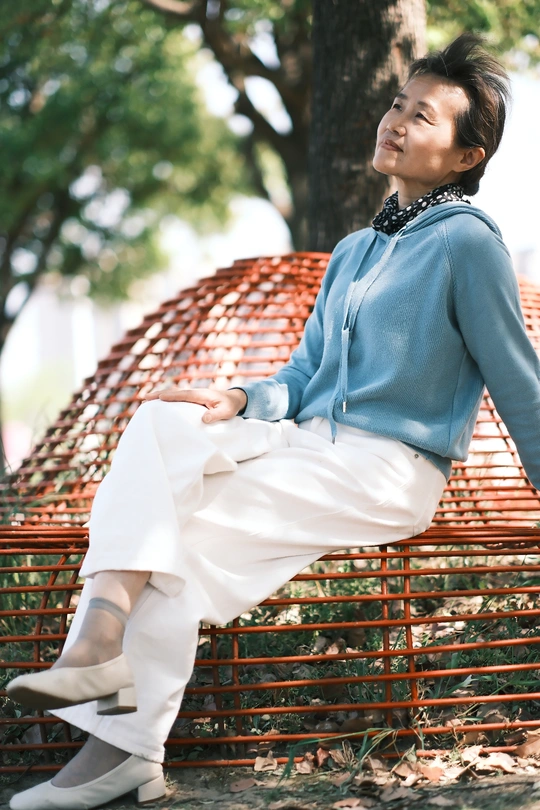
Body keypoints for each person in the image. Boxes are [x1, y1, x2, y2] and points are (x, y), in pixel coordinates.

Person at [7, 33, 539, 810]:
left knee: (167, 541)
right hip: (307, 445)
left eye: (422, 116)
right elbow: (301, 375)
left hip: (388, 468)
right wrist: (238, 400)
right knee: (161, 427)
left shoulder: (468, 243)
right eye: (397, 104)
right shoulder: (355, 251)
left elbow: (518, 380)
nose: (395, 122)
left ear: (466, 155)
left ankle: (113, 736)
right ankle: (104, 670)